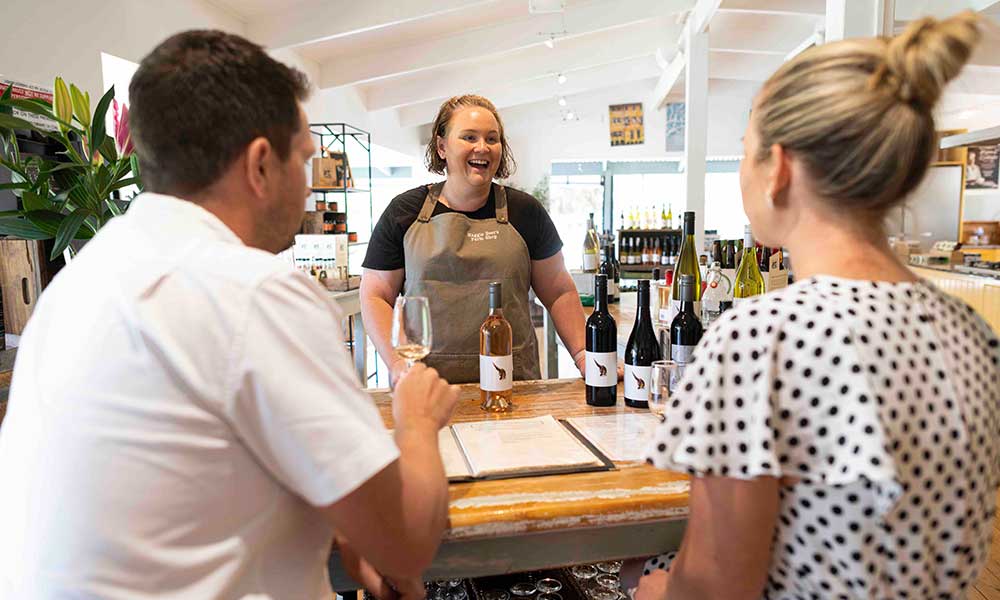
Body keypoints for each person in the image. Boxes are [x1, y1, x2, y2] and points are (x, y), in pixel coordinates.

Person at [0, 30, 459, 600]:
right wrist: (416, 420)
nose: (310, 190)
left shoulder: (77, 285)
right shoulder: (254, 292)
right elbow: (408, 544)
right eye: (305, 160)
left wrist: (336, 521)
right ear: (261, 165)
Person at [633, 12, 998, 600]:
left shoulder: (762, 338)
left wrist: (649, 589)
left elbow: (713, 589)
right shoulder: (971, 333)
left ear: (778, 169)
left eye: (744, 151)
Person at [360, 95, 588, 385]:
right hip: (425, 385)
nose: (482, 147)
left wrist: (583, 355)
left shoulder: (525, 212)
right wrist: (397, 363)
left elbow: (559, 291)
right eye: (469, 137)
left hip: (513, 385)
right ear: (442, 146)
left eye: (492, 139)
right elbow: (375, 294)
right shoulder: (404, 212)